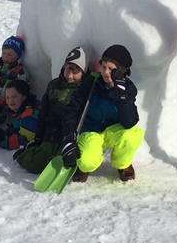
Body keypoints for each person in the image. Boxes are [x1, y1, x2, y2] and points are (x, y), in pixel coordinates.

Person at [61, 44, 142, 183]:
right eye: (103, 67)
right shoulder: (91, 83)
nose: (105, 72)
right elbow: (72, 110)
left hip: (114, 131)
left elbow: (129, 122)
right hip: (92, 130)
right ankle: (83, 167)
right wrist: (69, 137)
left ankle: (123, 164)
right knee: (87, 161)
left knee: (132, 135)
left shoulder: (129, 88)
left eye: (111, 69)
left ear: (121, 71)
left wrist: (122, 97)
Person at [14, 46, 87, 173]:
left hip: (68, 137)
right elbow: (44, 113)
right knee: (36, 165)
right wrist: (39, 137)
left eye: (75, 72)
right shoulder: (54, 85)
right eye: (67, 70)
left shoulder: (84, 91)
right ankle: (29, 151)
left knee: (63, 165)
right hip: (51, 133)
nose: (69, 76)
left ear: (83, 73)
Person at [0, 79, 39, 148]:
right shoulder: (16, 111)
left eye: (14, 96)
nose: (10, 101)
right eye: (8, 97)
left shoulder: (30, 114)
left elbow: (25, 140)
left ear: (24, 97)